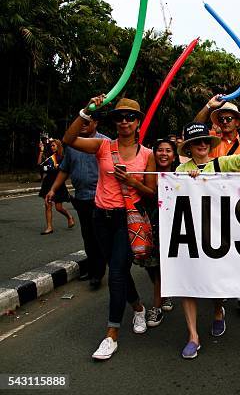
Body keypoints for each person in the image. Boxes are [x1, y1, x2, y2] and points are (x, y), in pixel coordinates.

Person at [63, 95, 156, 361]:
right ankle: (138, 307)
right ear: (114, 122)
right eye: (119, 117)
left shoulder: (147, 154)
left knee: (116, 271)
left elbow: (151, 193)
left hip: (126, 219)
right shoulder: (103, 146)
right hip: (99, 218)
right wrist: (87, 110)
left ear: (138, 122)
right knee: (118, 269)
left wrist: (132, 181)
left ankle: (111, 334)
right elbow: (68, 141)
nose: (124, 121)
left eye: (130, 117)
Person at [175, 121, 240, 359]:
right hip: (189, 233)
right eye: (196, 142)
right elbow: (172, 198)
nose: (202, 145)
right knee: (187, 282)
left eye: (205, 141)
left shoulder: (221, 163)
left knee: (213, 279)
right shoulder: (181, 171)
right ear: (189, 148)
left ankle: (217, 310)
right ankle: (193, 336)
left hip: (217, 233)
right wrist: (186, 181)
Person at [195, 96, 240, 313]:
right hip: (213, 205)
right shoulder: (210, 142)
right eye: (221, 118)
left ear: (237, 122)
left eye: (229, 118)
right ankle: (221, 288)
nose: (225, 122)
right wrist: (208, 107)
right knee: (218, 248)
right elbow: (193, 129)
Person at [46, 112, 108, 288]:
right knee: (87, 236)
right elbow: (65, 169)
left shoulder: (105, 143)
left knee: (98, 236)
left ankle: (98, 273)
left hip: (100, 199)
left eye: (87, 121)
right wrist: (53, 189)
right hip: (81, 198)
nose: (82, 125)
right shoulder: (73, 144)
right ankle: (92, 268)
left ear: (95, 123)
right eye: (80, 121)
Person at [143, 138, 180, 328]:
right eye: (159, 150)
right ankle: (164, 293)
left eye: (168, 150)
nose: (163, 154)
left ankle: (156, 308)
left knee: (160, 267)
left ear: (174, 155)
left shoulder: (180, 174)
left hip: (172, 227)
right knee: (150, 266)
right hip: (149, 224)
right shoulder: (145, 172)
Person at [37, 139, 75, 235]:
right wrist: (41, 151)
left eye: (53, 145)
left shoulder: (63, 158)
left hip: (58, 184)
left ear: (58, 146)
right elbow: (39, 165)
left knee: (58, 207)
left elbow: (66, 171)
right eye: (51, 146)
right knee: (47, 205)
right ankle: (49, 227)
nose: (52, 147)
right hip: (48, 183)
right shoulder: (50, 158)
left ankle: (69, 217)